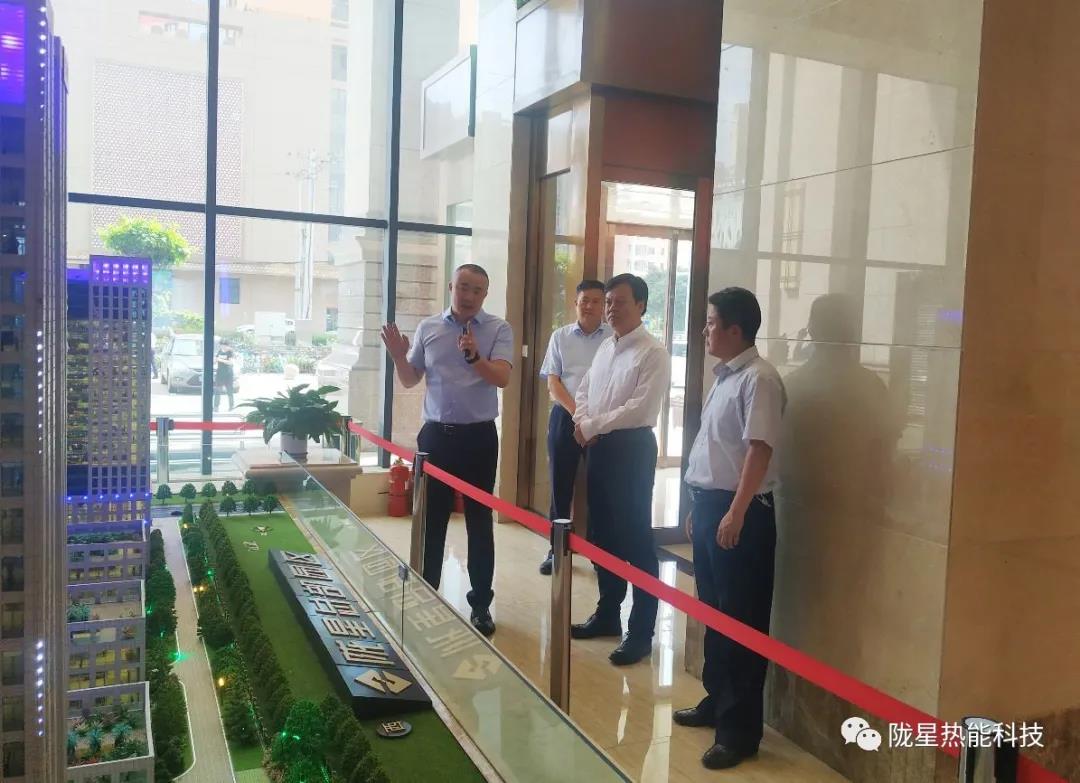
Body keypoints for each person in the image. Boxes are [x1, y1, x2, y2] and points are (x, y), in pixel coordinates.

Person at [674, 287, 786, 771]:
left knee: (741, 620)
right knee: (714, 612)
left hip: (742, 511)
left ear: (735, 330)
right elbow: (715, 449)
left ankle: (738, 733)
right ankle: (716, 700)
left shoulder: (760, 379)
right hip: (712, 505)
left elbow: (759, 450)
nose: (705, 330)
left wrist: (736, 512)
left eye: (711, 322)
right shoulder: (725, 376)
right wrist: (698, 506)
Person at [380, 263, 513, 637]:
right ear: (452, 287)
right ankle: (426, 596)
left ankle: (481, 604)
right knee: (430, 520)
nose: (469, 296)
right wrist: (398, 356)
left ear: (485, 295)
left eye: (477, 290)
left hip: (479, 438)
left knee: (479, 522)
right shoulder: (429, 328)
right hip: (436, 437)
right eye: (463, 287)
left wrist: (475, 357)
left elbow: (502, 377)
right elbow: (411, 379)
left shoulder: (498, 329)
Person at [570, 273, 669, 666]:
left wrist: (592, 425)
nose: (611, 309)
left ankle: (641, 632)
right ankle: (608, 613)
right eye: (608, 302)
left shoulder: (652, 352)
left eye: (620, 302)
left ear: (641, 305)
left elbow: (640, 409)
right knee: (602, 535)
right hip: (599, 448)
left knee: (635, 540)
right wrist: (582, 421)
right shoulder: (606, 347)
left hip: (631, 450)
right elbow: (584, 390)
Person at [536, 279, 609, 575]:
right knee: (560, 486)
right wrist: (578, 414)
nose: (589, 306)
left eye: (596, 301)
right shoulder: (561, 336)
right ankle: (557, 550)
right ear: (575, 303)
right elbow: (553, 382)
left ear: (604, 305)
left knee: (599, 486)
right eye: (584, 300)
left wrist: (591, 418)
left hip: (601, 419)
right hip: (565, 416)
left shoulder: (613, 338)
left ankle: (599, 552)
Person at [213, 338, 236, 411]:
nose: (223, 347)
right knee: (217, 390)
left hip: (228, 373)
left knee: (229, 390)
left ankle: (231, 406)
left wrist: (220, 360)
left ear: (227, 345)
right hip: (220, 373)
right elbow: (215, 360)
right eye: (221, 345)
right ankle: (216, 407)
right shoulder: (219, 351)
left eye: (224, 345)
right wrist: (215, 360)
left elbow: (231, 362)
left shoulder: (230, 352)